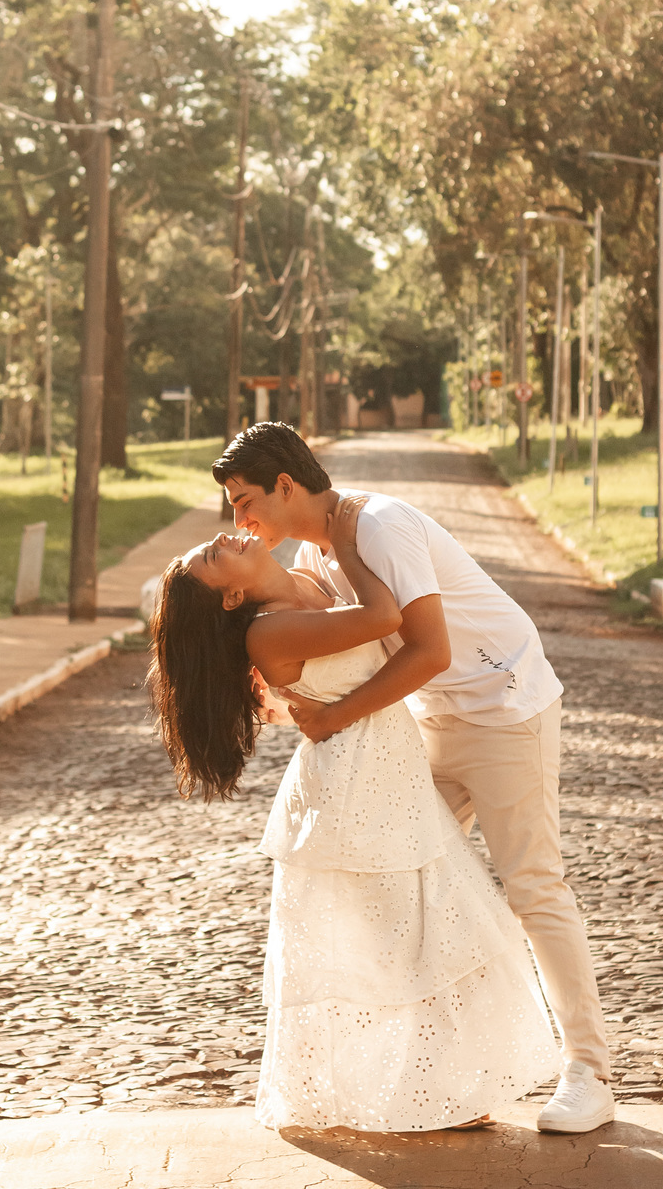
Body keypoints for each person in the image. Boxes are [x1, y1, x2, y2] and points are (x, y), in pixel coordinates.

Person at [211, 421, 616, 1137]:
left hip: (504, 708)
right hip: (426, 725)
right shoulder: (317, 548)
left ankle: (589, 1071)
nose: (239, 520)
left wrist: (333, 721)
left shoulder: (383, 524)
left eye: (245, 502)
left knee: (532, 884)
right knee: (406, 892)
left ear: (284, 484)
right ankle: (450, 1080)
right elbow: (317, 646)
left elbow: (428, 649)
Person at [148, 498, 561, 1133]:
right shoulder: (268, 631)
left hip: (392, 774)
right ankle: (414, 1093)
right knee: (403, 943)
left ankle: (444, 1088)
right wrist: (345, 541)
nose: (229, 536)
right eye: (215, 555)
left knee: (441, 933)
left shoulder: (306, 587)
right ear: (229, 599)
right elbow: (384, 617)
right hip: (355, 788)